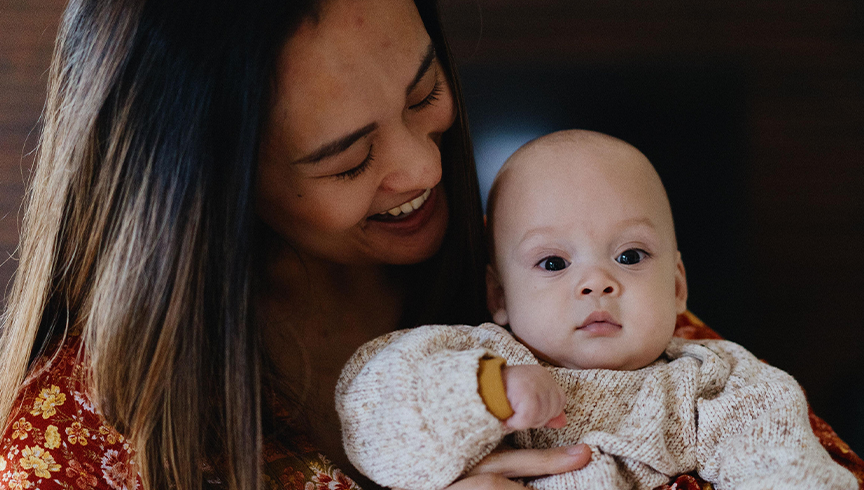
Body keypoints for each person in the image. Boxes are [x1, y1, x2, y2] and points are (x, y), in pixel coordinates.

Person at [0, 0, 594, 489]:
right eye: (347, 160)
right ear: (210, 191)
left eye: (425, 92)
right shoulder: (69, 447)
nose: (425, 168)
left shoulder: (557, 265)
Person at [336, 130, 859, 490]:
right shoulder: (482, 356)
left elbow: (785, 468)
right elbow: (374, 416)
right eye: (553, 262)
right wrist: (486, 391)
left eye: (629, 256)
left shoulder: (712, 386)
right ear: (499, 297)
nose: (596, 283)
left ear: (677, 287)